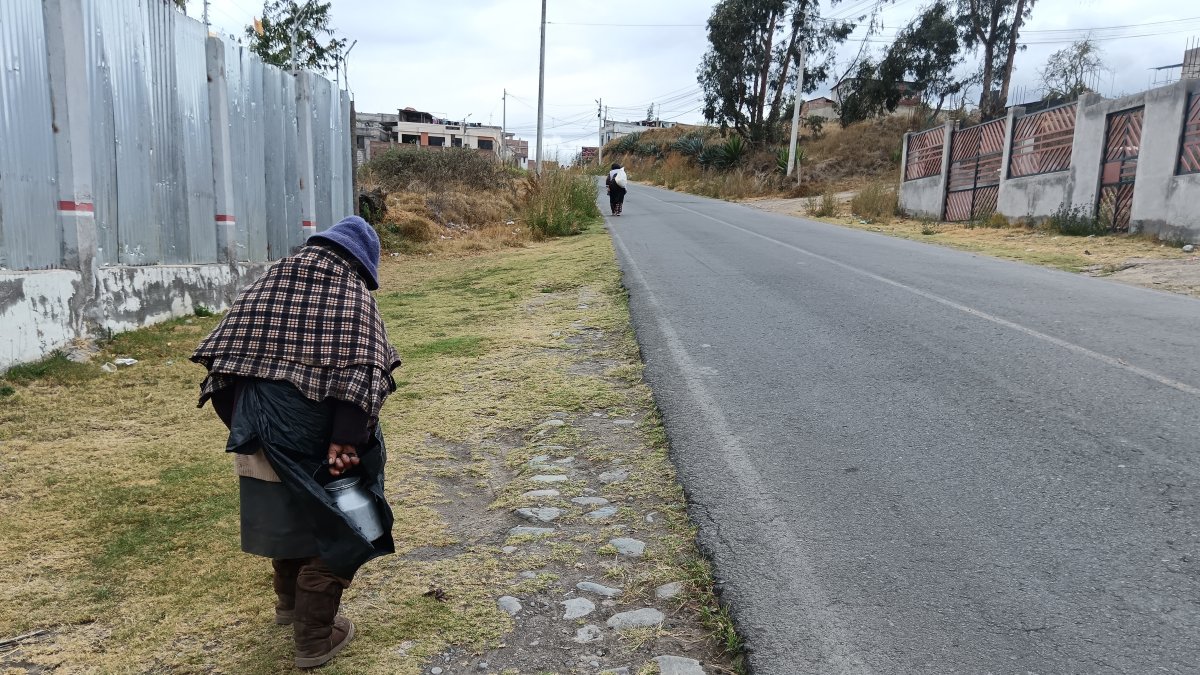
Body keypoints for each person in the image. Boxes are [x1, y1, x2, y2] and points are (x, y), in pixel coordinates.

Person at [191, 215, 402, 669]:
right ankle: (315, 637)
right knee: (347, 524)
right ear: (363, 263)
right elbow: (363, 371)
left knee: (286, 513)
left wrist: (244, 427)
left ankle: (289, 606)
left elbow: (221, 363)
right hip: (320, 436)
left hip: (255, 426)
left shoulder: (269, 282)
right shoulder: (351, 294)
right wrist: (346, 440)